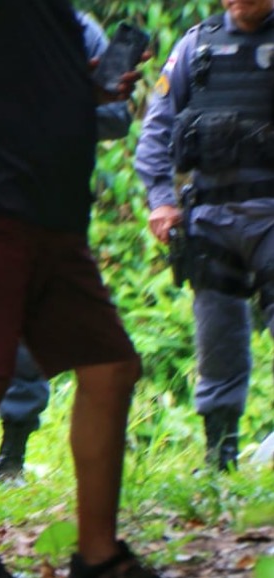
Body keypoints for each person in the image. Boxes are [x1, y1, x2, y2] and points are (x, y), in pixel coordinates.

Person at [0, 0, 190, 578]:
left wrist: (90, 89)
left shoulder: (61, 19)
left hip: (55, 216)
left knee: (111, 366)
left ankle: (98, 560)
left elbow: (31, 85)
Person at [0, 13, 132, 492]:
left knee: (38, 346)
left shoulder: (80, 30)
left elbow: (117, 116)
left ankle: (13, 458)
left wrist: (58, 103)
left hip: (52, 205)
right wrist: (7, 108)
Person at [134, 0, 274, 471]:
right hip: (211, 216)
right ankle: (220, 453)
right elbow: (158, 126)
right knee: (217, 338)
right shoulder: (197, 44)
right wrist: (161, 200)